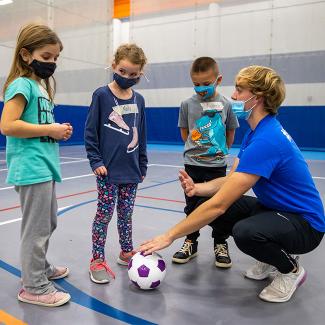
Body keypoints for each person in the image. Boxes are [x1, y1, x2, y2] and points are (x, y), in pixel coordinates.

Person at [140, 65, 325, 303]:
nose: (234, 96)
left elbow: (220, 205)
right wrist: (199, 189)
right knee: (203, 203)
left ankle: (290, 270)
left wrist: (169, 236)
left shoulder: (268, 140)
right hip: (277, 210)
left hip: (306, 224)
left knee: (245, 232)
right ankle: (270, 258)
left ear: (257, 97)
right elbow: (232, 179)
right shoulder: (256, 132)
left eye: (239, 90)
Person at [0, 23, 73, 307]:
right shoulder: (21, 85)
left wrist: (55, 130)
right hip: (31, 167)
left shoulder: (39, 87)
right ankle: (33, 286)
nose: (52, 63)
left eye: (55, 58)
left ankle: (38, 269)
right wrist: (50, 130)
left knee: (47, 221)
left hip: (44, 165)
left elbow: (38, 124)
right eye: (46, 56)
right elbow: (7, 125)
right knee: (37, 228)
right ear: (26, 55)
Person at [85, 44, 148, 284]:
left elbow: (141, 134)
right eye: (123, 71)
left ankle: (126, 251)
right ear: (114, 66)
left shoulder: (139, 100)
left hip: (131, 171)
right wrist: (96, 160)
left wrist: (142, 165)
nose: (127, 77)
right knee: (104, 215)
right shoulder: (101, 95)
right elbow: (91, 132)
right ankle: (97, 259)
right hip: (107, 171)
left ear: (140, 74)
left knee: (126, 214)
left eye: (133, 74)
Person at [172, 57, 238, 268]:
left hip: (217, 166)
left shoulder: (227, 104)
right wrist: (196, 152)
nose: (201, 88)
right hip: (193, 165)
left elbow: (230, 132)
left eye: (206, 83)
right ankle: (191, 241)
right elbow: (185, 133)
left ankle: (220, 242)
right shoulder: (187, 104)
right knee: (192, 205)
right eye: (197, 84)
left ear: (218, 80)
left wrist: (220, 151)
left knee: (220, 206)